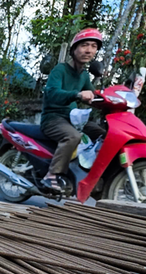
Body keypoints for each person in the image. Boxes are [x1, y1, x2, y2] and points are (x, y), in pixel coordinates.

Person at [40, 28, 107, 191]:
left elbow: (93, 96)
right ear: (74, 49)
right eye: (84, 45)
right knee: (73, 137)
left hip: (73, 118)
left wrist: (111, 99)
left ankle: (90, 174)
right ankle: (51, 175)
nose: (89, 50)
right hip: (53, 118)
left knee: (104, 136)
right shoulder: (60, 70)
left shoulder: (84, 75)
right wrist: (77, 95)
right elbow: (52, 94)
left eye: (93, 46)